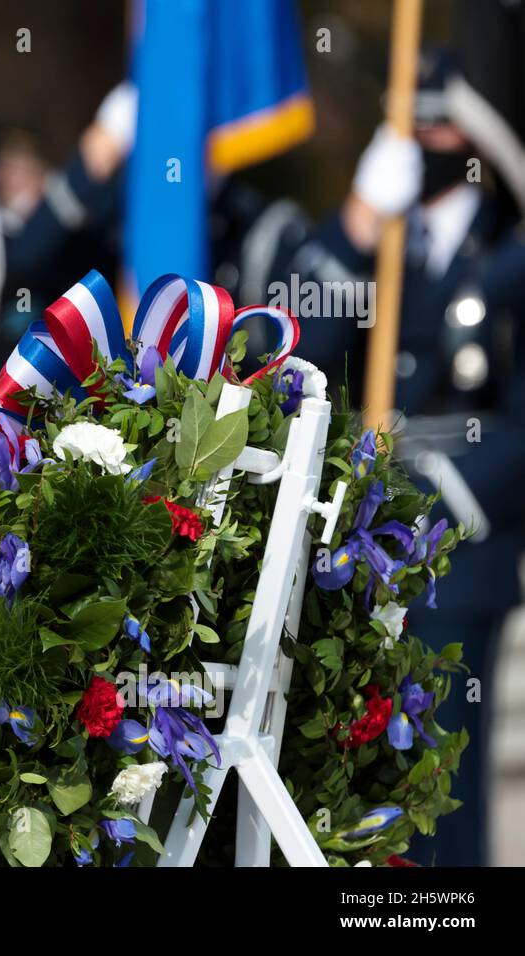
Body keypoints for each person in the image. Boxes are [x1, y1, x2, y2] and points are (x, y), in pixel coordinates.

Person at [285, 50, 525, 866]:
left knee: (441, 777)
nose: (422, 138)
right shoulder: (375, 241)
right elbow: (297, 349)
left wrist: (422, 482)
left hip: (459, 547)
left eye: (437, 121)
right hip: (366, 552)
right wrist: (355, 223)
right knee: (362, 776)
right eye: (409, 122)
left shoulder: (510, 253)